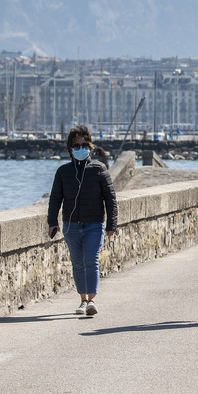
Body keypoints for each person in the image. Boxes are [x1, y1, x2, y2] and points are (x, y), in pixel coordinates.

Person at [48, 125, 118, 317]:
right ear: (70, 149)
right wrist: (52, 222)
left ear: (90, 147)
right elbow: (55, 199)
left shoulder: (99, 169)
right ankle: (83, 299)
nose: (80, 149)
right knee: (78, 263)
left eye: (84, 145)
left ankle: (92, 301)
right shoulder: (63, 172)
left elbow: (110, 198)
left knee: (91, 260)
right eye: (76, 145)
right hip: (71, 226)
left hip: (94, 224)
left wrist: (111, 224)